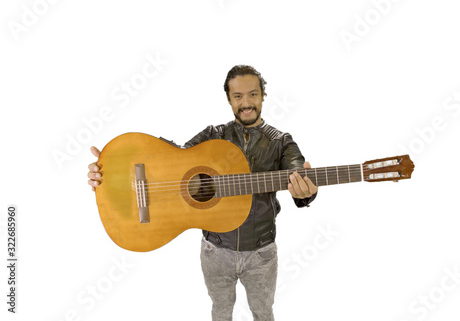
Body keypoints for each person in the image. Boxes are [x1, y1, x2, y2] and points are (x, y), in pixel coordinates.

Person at [87, 65, 318, 320]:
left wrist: (304, 191)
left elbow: (297, 171)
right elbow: (172, 160)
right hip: (215, 251)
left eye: (252, 94)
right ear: (229, 99)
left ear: (263, 95)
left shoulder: (281, 141)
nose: (246, 103)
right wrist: (115, 171)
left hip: (261, 252)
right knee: (220, 312)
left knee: (263, 312)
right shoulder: (214, 135)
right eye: (238, 96)